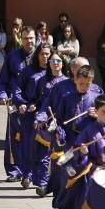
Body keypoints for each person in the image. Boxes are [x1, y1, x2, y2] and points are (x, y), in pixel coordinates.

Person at [52, 65, 103, 209]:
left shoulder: (97, 96)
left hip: (88, 143)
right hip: (70, 142)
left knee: (87, 179)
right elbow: (60, 120)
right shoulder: (67, 97)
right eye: (81, 84)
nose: (84, 87)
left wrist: (97, 116)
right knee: (69, 176)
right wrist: (59, 132)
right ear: (75, 80)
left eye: (87, 84)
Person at [0, 26, 37, 181]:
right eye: (25, 38)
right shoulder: (12, 56)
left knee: (34, 137)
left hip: (34, 102)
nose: (29, 41)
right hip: (15, 102)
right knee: (14, 137)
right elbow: (3, 79)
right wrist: (1, 95)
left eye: (31, 38)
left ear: (36, 38)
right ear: (21, 39)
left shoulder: (41, 56)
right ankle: (14, 170)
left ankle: (31, 170)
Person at [13, 43, 53, 189]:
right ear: (37, 55)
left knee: (44, 147)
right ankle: (27, 174)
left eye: (48, 54)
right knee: (28, 145)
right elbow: (17, 89)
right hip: (30, 113)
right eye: (42, 54)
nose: (45, 57)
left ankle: (42, 178)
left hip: (48, 115)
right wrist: (21, 103)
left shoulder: (54, 72)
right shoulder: (28, 71)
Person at [31, 53, 68, 196]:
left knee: (58, 157)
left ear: (63, 64)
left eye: (58, 60)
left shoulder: (67, 82)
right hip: (44, 121)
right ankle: (42, 183)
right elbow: (40, 101)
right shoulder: (42, 80)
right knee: (41, 156)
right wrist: (38, 117)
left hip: (61, 124)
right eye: (52, 60)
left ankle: (56, 185)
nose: (55, 63)